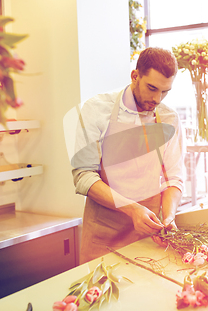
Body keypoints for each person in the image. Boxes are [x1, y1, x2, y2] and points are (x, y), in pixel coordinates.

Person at [72, 47, 185, 263]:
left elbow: (173, 177)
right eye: (152, 88)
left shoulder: (169, 118)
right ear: (135, 76)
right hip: (103, 235)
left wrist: (169, 216)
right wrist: (132, 210)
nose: (157, 98)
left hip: (149, 234)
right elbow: (83, 176)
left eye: (165, 91)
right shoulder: (97, 110)